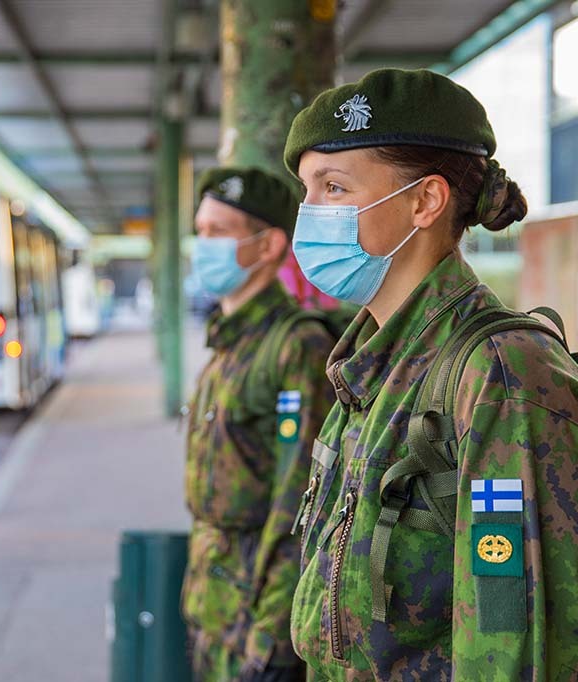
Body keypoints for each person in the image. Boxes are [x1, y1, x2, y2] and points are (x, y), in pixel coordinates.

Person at [284, 68, 578, 679]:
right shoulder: (369, 369)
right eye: (307, 192)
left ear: (425, 201)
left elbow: (524, 649)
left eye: (333, 188)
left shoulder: (500, 375)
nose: (309, 215)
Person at [182, 167, 337, 682]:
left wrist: (271, 639)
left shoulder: (296, 346)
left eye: (218, 233)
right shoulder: (225, 344)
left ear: (269, 246)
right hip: (211, 608)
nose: (202, 245)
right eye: (200, 231)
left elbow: (301, 502)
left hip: (256, 624)